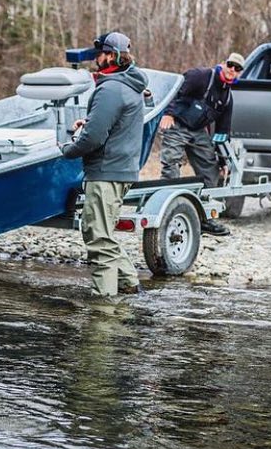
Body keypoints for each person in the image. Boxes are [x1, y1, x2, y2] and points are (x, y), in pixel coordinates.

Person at [61, 32, 150, 298]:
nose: (94, 59)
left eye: (98, 54)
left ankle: (104, 308)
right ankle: (129, 285)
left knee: (98, 238)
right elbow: (114, 126)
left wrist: (67, 151)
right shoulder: (128, 85)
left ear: (110, 56)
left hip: (105, 173)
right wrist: (88, 124)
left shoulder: (110, 88)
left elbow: (94, 138)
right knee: (104, 234)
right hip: (120, 171)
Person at [159, 53, 245, 236]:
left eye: (237, 69)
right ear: (223, 63)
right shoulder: (201, 76)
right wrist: (168, 114)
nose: (232, 70)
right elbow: (176, 92)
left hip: (198, 132)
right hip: (177, 124)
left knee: (210, 170)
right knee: (171, 164)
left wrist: (223, 162)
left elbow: (222, 133)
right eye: (230, 65)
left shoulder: (227, 98)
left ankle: (205, 218)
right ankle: (169, 212)